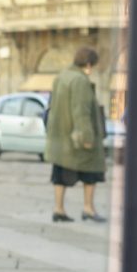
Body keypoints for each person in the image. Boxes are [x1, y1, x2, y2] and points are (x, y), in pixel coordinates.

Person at [44, 47, 107, 223]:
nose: (92, 70)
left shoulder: (62, 76)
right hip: (76, 138)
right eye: (92, 66)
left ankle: (59, 209)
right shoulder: (80, 80)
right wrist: (87, 137)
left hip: (61, 137)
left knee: (60, 174)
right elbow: (81, 111)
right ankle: (88, 209)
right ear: (88, 64)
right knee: (92, 171)